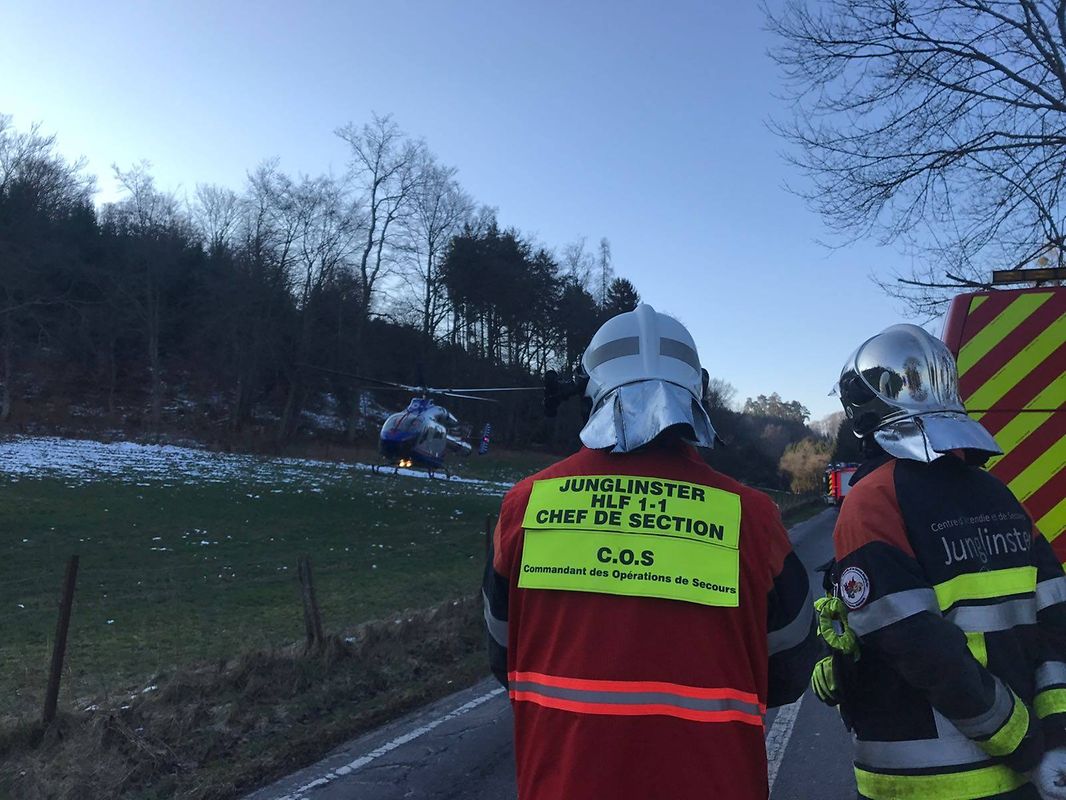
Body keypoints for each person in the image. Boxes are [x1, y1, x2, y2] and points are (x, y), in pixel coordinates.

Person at [481, 304, 819, 800]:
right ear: (696, 394)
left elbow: (503, 656)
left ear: (590, 391)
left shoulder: (525, 506)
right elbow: (790, 672)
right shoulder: (753, 517)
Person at [812, 323, 1066, 800]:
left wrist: (1025, 746)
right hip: (1028, 780)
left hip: (922, 784)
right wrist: (1054, 739)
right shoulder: (1000, 495)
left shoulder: (872, 500)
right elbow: (1056, 622)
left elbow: (918, 647)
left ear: (861, 409)